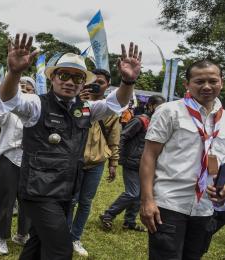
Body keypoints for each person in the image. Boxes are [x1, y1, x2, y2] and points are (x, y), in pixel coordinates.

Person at [0, 33, 142, 260]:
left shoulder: (86, 109)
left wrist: (128, 81)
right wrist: (15, 72)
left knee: (38, 244)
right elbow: (9, 100)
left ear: (83, 83)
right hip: (38, 191)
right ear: (53, 78)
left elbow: (117, 103)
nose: (69, 82)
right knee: (60, 249)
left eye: (77, 78)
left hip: (65, 191)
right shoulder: (37, 104)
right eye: (63, 75)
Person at [140, 60, 225, 259]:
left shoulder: (223, 119)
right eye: (199, 81)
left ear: (221, 82)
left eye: (213, 81)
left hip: (205, 207)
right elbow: (149, 156)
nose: (206, 86)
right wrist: (147, 200)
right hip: (169, 204)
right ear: (187, 84)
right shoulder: (170, 111)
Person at [68, 69, 121, 257]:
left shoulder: (112, 108)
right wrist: (78, 101)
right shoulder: (74, 100)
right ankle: (63, 237)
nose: (96, 85)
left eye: (101, 82)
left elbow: (114, 136)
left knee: (85, 202)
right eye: (93, 81)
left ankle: (75, 237)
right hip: (74, 160)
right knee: (70, 201)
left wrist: (113, 162)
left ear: (107, 85)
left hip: (97, 161)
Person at [99, 95, 165, 233]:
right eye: (158, 107)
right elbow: (123, 136)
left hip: (144, 165)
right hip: (131, 162)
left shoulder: (157, 122)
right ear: (151, 105)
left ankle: (129, 222)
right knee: (132, 193)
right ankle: (108, 214)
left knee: (140, 195)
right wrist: (117, 158)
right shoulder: (140, 120)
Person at [0, 76, 35, 255]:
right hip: (8, 158)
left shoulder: (36, 111)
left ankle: (22, 234)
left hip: (30, 161)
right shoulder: (9, 108)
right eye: (21, 88)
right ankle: (0, 237)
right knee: (5, 201)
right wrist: (4, 103)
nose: (24, 91)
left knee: (28, 201)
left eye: (28, 89)